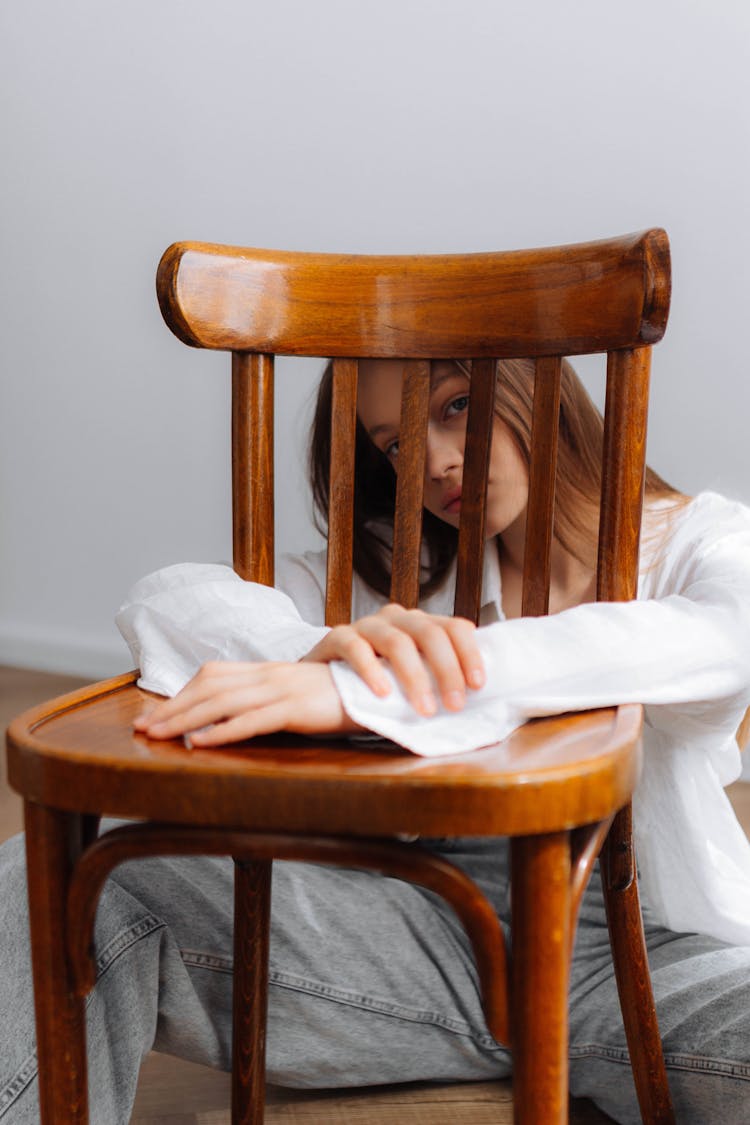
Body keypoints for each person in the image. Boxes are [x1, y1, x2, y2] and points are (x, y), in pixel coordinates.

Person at [2, 358, 750, 1123]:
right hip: (427, 947)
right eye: (394, 446)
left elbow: (719, 638)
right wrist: (311, 654)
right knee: (62, 875)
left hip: (653, 959)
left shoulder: (704, 542)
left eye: (458, 406)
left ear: (538, 386)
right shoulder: (408, 570)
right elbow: (167, 603)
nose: (434, 464)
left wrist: (371, 691)